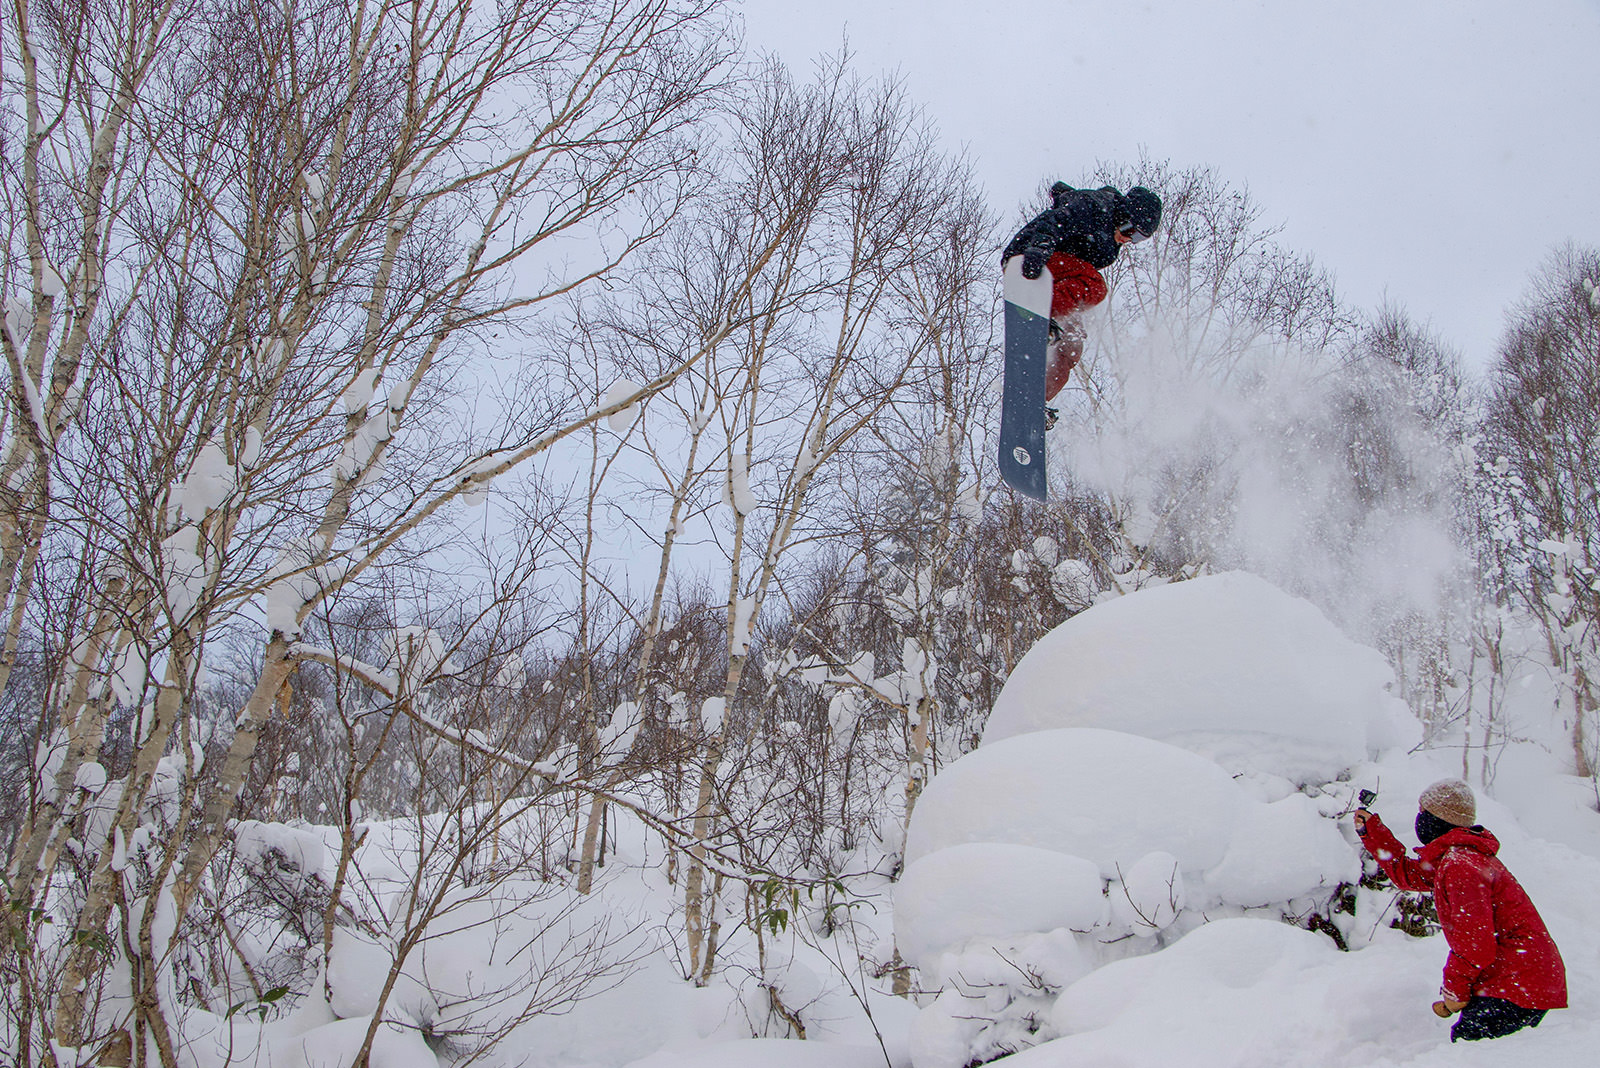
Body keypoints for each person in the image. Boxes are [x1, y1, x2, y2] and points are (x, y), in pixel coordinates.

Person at [1354, 779, 1567, 1042]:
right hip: (1519, 979)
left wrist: (1454, 991)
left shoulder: (1461, 865)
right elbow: (1408, 875)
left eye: (1423, 812)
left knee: (1474, 1052)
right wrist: (1372, 832)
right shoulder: (1456, 858)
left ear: (1438, 819)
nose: (1419, 819)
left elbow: (1475, 945)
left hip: (1516, 981)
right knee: (1480, 1052)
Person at [1001, 181, 1162, 424]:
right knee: (1095, 284)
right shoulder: (1094, 206)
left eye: (1139, 238)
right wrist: (1039, 248)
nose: (1130, 239)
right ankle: (1043, 313)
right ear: (1123, 214)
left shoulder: (1110, 247)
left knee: (1071, 345)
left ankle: (1033, 401)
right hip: (1030, 259)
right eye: (1131, 230)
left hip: (1054, 278)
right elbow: (1055, 220)